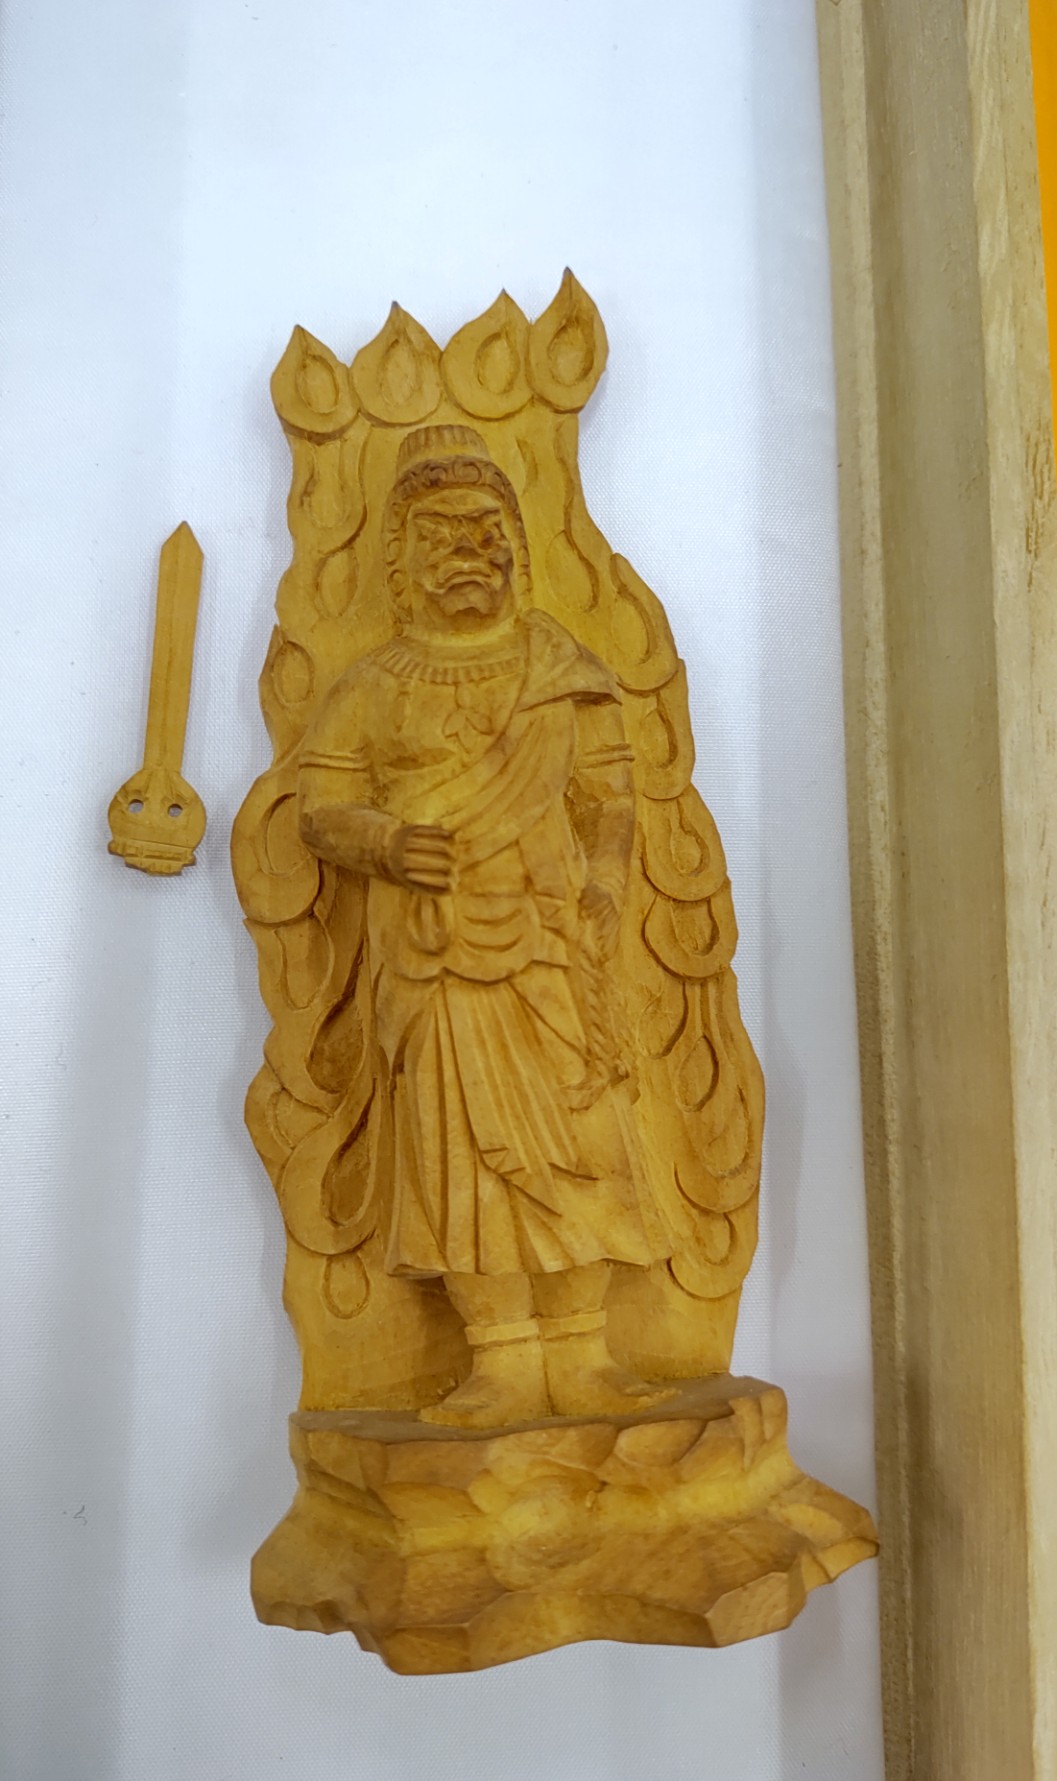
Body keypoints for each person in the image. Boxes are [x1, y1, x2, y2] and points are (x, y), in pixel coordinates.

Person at [297, 424, 674, 1426]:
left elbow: (609, 793)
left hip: (549, 941)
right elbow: (320, 808)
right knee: (460, 1149)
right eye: (441, 535)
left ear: (515, 543)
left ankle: (583, 1352)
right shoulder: (373, 685)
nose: (468, 552)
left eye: (485, 530)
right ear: (401, 560)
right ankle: (501, 1358)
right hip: (435, 952)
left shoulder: (558, 665)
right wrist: (385, 842)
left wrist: (604, 880)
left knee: (582, 1138)